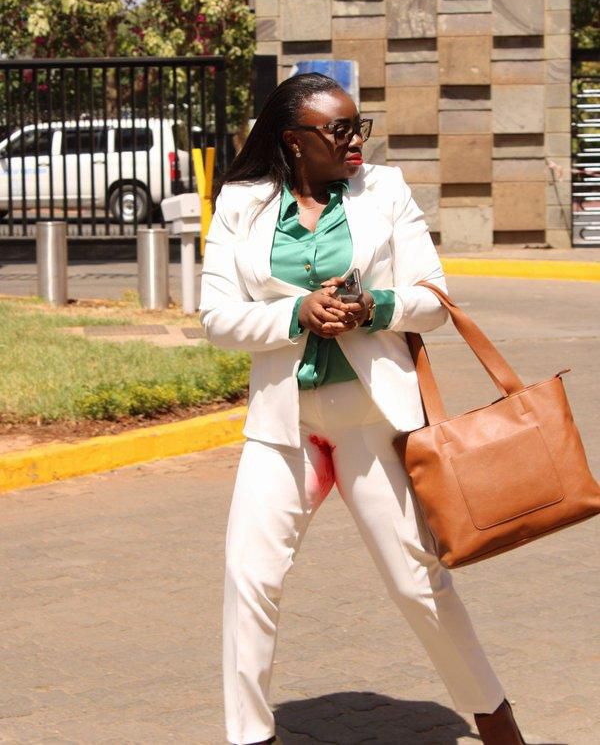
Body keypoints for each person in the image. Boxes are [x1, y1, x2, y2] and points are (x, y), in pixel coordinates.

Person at [199, 73, 526, 745]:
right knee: (249, 581)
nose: (355, 142)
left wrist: (377, 307)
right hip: (284, 428)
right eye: (339, 130)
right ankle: (249, 738)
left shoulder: (384, 192)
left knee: (416, 584)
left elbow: (434, 300)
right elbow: (217, 317)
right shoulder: (241, 204)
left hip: (374, 424)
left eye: (359, 127)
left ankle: (497, 723)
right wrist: (296, 311)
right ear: (294, 141)